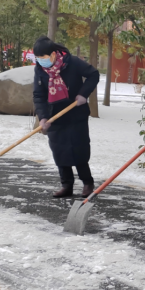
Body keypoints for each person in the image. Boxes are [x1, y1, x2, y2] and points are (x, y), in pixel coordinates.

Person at [33, 36, 100, 198]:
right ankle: (66, 185)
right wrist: (43, 117)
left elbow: (93, 74)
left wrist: (83, 94)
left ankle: (87, 182)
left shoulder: (72, 62)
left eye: (43, 57)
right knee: (59, 150)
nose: (41, 61)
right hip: (55, 116)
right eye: (38, 58)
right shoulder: (40, 70)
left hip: (75, 113)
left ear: (53, 54)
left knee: (79, 148)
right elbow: (39, 95)